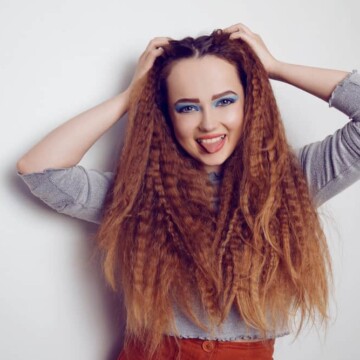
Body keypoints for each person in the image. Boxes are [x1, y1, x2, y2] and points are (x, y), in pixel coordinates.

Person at [16, 23, 360, 360]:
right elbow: (41, 170)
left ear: (249, 102)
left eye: (225, 101)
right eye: (188, 107)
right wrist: (131, 95)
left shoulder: (295, 179)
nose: (208, 123)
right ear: (167, 114)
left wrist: (275, 68)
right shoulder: (140, 190)